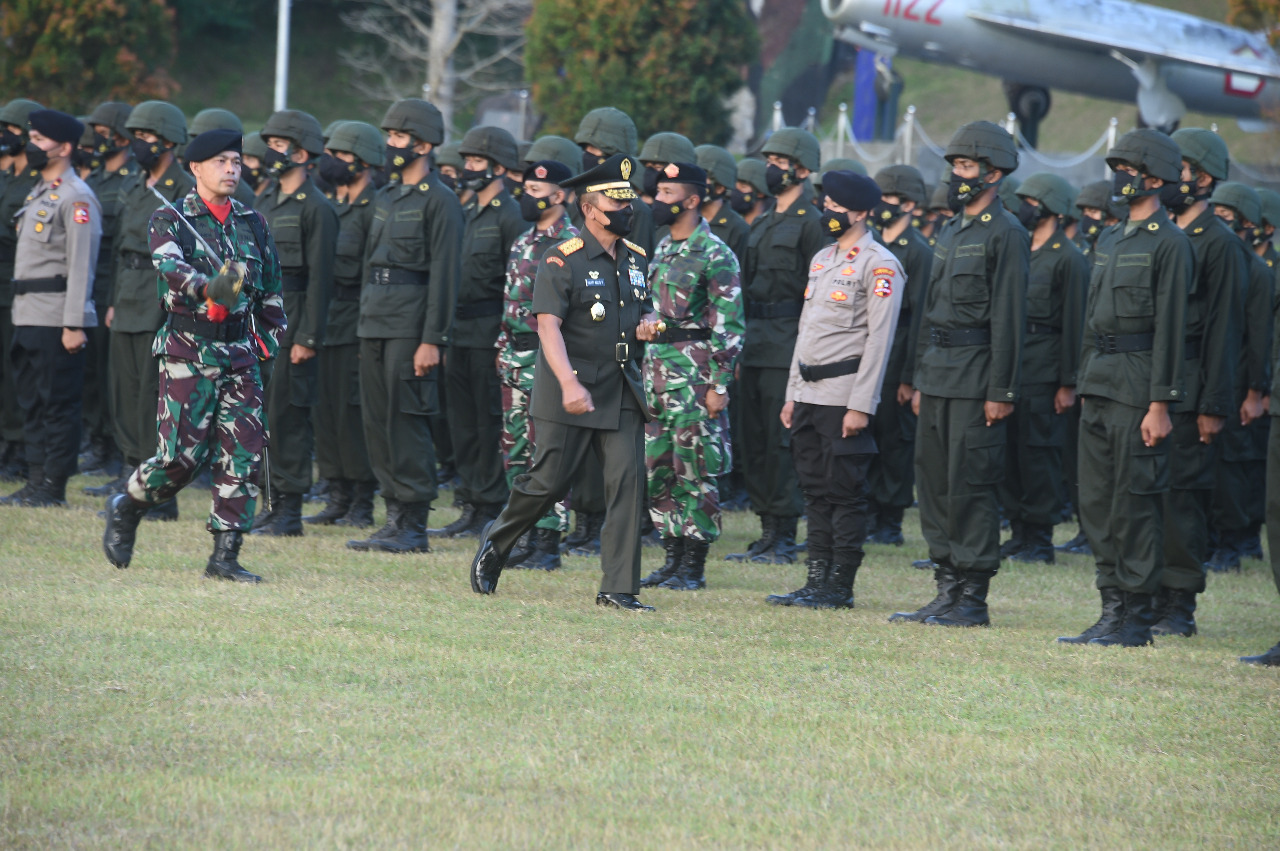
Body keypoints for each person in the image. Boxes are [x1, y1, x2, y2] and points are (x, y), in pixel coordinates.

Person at [470, 154, 661, 611]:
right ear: (591, 208)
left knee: (628, 482)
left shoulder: (635, 258)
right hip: (569, 386)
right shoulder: (562, 259)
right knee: (547, 483)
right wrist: (570, 385)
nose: (627, 210)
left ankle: (618, 588)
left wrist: (649, 323)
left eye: (629, 202)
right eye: (616, 202)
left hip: (620, 385)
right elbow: (548, 326)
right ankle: (497, 543)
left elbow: (641, 309)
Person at [102, 129, 286, 581]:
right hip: (189, 350)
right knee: (180, 459)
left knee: (243, 455)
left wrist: (265, 341)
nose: (231, 169)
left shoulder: (253, 222)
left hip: (240, 353)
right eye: (221, 161)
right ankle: (129, 504)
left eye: (237, 162)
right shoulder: (170, 218)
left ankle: (225, 556)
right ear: (196, 168)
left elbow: (272, 291)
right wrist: (208, 287)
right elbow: (170, 267)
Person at [890, 121, 1028, 628]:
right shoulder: (950, 228)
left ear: (993, 173)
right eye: (954, 167)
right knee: (934, 482)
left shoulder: (1006, 233)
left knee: (970, 484)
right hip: (939, 374)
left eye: (966, 167)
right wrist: (917, 376)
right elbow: (929, 310)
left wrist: (1001, 390)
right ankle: (945, 587)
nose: (956, 175)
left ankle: (971, 598)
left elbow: (1010, 319)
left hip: (976, 378)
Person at [1058, 128, 1192, 647]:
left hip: (1139, 389)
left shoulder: (1171, 242)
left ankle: (1135, 618)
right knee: (1096, 502)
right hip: (1100, 382)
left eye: (1129, 170)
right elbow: (1094, 319)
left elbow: (1171, 329)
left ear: (1154, 179)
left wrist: (1160, 404)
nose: (1120, 179)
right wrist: (1083, 380)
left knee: (1134, 504)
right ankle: (1110, 607)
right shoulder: (1111, 237)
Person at [768, 170, 903, 608]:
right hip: (807, 393)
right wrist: (791, 393)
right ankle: (816, 579)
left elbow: (879, 342)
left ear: (862, 213)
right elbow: (807, 331)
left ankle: (840, 586)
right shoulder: (823, 258)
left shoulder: (879, 264)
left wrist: (861, 405)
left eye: (837, 208)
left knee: (845, 491)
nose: (828, 212)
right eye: (826, 205)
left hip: (843, 395)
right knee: (813, 489)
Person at [346, 98, 463, 554]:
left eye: (398, 137)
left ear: (425, 143)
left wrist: (432, 339)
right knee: (377, 420)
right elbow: (369, 266)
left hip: (411, 328)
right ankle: (392, 517)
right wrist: (363, 325)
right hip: (375, 322)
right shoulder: (387, 196)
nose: (390, 144)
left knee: (406, 420)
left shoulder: (442, 201)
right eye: (389, 136)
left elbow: (444, 276)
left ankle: (413, 523)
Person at [1149, 128, 1246, 637]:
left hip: (1190, 388)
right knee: (1148, 493)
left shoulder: (1221, 244)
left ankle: (1178, 603)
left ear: (1202, 178)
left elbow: (1224, 330)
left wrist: (1213, 403)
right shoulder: (1161, 233)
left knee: (1182, 497)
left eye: (1177, 169)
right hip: (1151, 383)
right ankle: (1146, 594)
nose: (1165, 179)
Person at [637, 162, 742, 591]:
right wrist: (645, 321)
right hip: (657, 375)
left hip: (694, 380)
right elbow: (655, 307)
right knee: (659, 468)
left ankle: (693, 565)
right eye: (658, 192)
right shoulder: (663, 247)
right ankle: (672, 557)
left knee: (694, 469)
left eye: (667, 193)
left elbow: (729, 324)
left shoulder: (716, 253)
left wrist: (719, 384)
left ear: (692, 200)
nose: (658, 201)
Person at [729, 128, 829, 564]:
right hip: (756, 341)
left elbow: (819, 293)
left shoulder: (814, 222)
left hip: (790, 341)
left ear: (802, 171)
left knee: (781, 440)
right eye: (767, 159)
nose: (771, 168)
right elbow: (746, 290)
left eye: (779, 161)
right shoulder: (764, 221)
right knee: (754, 437)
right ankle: (767, 528)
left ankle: (785, 532)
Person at [96, 101, 193, 519]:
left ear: (168, 141)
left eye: (146, 137)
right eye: (134, 136)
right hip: (130, 296)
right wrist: (115, 301)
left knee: (155, 398)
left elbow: (191, 255)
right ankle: (133, 480)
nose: (137, 144)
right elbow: (121, 249)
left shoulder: (182, 188)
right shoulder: (134, 185)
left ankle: (159, 494)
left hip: (162, 297)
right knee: (126, 390)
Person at [1, 109, 101, 507]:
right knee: (32, 401)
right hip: (27, 313)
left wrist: (74, 323)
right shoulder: (41, 192)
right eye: (32, 137)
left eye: (41, 139)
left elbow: (81, 265)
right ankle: (37, 478)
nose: (33, 145)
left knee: (57, 403)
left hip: (57, 317)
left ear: (65, 147)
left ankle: (52, 486)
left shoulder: (77, 197)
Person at [433, 126, 526, 539]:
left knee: (491, 422)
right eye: (466, 161)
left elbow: (518, 283)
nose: (467, 169)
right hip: (461, 329)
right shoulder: (465, 210)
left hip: (492, 330)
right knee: (463, 421)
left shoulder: (513, 214)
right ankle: (471, 502)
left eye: (475, 162)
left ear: (499, 168)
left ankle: (491, 504)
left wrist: (505, 339)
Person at [251, 109, 339, 536]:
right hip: (257, 328)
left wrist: (308, 336)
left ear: (301, 153)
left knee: (288, 418)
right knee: (259, 417)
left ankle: (289, 510)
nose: (269, 154)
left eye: (278, 146)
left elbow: (322, 279)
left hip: (293, 328)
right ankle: (268, 500)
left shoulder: (317, 209)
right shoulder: (264, 200)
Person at [998, 173, 1089, 564]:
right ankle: (1018, 531)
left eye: (1031, 201)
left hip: (1045, 370)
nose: (1024, 207)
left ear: (1050, 208)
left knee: (1039, 455)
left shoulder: (1068, 258)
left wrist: (1068, 383)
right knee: (1011, 452)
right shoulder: (1019, 248)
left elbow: (1074, 324)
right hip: (1014, 367)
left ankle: (1039, 538)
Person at [495, 158, 579, 570]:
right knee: (514, 448)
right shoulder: (523, 240)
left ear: (560, 195)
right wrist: (502, 347)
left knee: (546, 452)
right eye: (524, 189)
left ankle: (547, 543)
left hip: (548, 360)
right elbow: (510, 300)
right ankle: (522, 535)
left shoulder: (573, 244)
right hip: (514, 357)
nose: (525, 197)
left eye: (535, 191)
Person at [303, 121, 384, 529]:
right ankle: (335, 492)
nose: (332, 163)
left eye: (342, 155)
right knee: (327, 409)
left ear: (364, 162)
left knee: (354, 412)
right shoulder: (329, 206)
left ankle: (361, 499)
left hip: (357, 321)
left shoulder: (376, 209)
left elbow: (370, 272)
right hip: (327, 318)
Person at [1204, 182, 1271, 575]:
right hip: (1213, 376)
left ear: (1246, 222)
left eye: (1227, 213)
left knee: (1233, 468)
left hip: (1239, 381)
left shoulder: (1257, 271)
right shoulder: (1216, 258)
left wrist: (1254, 391)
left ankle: (1231, 546)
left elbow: (1259, 336)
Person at [865, 164, 932, 546]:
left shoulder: (918, 251)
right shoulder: (871, 244)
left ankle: (889, 519)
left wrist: (910, 376)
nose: (883, 206)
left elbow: (921, 315)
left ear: (908, 204)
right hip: (870, 350)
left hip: (900, 349)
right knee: (868, 433)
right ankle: (869, 510)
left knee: (894, 439)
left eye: (889, 199)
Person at [78, 101, 134, 478]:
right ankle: (97, 445)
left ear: (120, 136)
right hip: (90, 284)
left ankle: (116, 450)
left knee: (115, 377)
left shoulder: (132, 181)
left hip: (116, 287)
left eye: (102, 132)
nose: (96, 140)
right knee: (91, 373)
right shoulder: (94, 181)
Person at [0, 98, 45, 482]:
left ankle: (18, 447)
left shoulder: (37, 181)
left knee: (17, 374)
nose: (5, 136)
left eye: (12, 129)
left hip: (18, 288)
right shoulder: (5, 177)